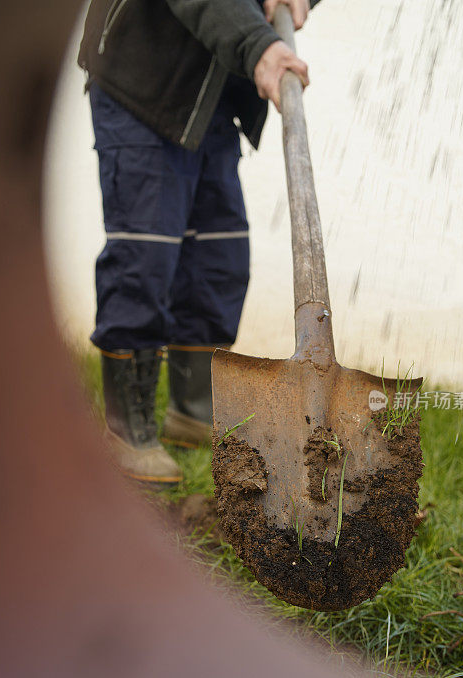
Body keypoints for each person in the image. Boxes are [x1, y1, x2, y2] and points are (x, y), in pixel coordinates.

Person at [78, 0, 318, 484]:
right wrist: (258, 44)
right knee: (146, 256)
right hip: (144, 78)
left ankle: (191, 410)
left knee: (218, 258)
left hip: (214, 98)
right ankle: (129, 427)